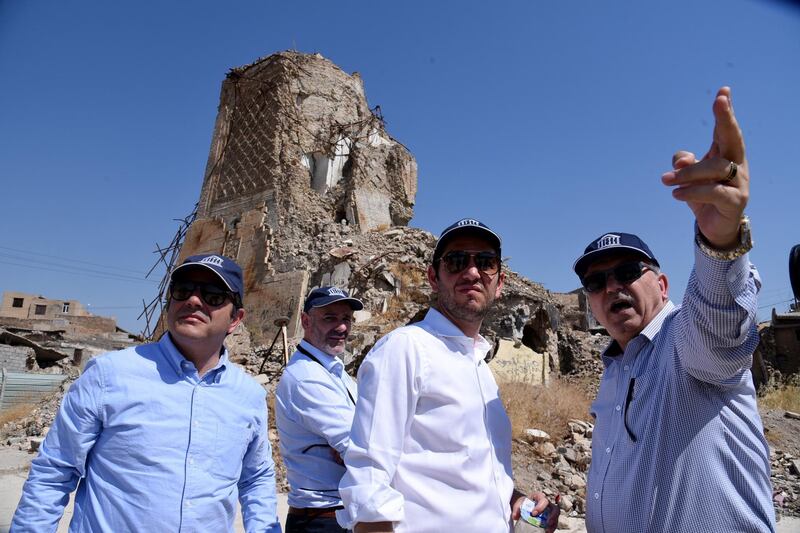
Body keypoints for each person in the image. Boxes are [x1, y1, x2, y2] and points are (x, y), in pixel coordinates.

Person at [573, 87, 775, 532]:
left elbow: (718, 324)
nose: (612, 287)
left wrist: (720, 243)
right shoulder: (615, 369)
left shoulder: (684, 343)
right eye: (596, 281)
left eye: (627, 271)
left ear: (661, 284)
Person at [12, 254, 281, 533]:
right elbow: (54, 472)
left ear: (235, 319)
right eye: (183, 290)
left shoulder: (248, 395)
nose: (193, 300)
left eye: (213, 295)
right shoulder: (109, 375)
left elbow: (256, 478)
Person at [337, 219, 557, 533]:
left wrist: (514, 500)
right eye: (456, 262)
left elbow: (467, 471)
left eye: (485, 262)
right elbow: (369, 481)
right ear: (433, 278)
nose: (471, 273)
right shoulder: (405, 349)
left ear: (500, 282)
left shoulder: (479, 366)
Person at [275, 286, 364, 532]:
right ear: (305, 321)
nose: (342, 327)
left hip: (339, 515)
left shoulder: (335, 372)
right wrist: (358, 446)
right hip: (322, 520)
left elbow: (366, 437)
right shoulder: (307, 378)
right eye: (330, 318)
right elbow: (359, 448)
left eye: (346, 318)